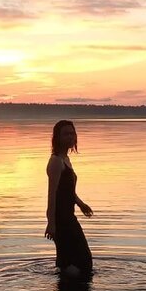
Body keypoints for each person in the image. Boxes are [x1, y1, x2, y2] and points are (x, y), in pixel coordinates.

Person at [44, 119, 93, 278]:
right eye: (66, 134)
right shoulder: (56, 162)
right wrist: (51, 223)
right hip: (61, 219)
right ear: (57, 137)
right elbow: (52, 195)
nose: (71, 137)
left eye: (72, 133)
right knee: (74, 260)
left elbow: (67, 191)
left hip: (69, 216)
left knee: (82, 260)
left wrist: (80, 203)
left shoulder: (66, 160)